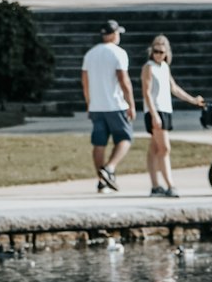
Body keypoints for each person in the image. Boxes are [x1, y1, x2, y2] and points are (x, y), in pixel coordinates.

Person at [140, 35, 204, 199]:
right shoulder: (149, 67)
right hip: (156, 111)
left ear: (167, 52)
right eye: (155, 51)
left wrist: (192, 100)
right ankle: (170, 185)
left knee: (154, 149)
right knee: (165, 148)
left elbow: (174, 88)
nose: (158, 54)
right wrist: (154, 114)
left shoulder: (164, 68)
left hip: (165, 110)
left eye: (161, 51)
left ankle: (155, 186)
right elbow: (146, 92)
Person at [81, 20, 135, 193]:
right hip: (115, 104)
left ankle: (101, 181)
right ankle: (109, 168)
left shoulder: (90, 54)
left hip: (97, 106)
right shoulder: (118, 53)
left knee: (99, 143)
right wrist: (131, 104)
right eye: (117, 33)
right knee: (125, 139)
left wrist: (89, 103)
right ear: (112, 34)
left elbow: (85, 81)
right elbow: (123, 80)